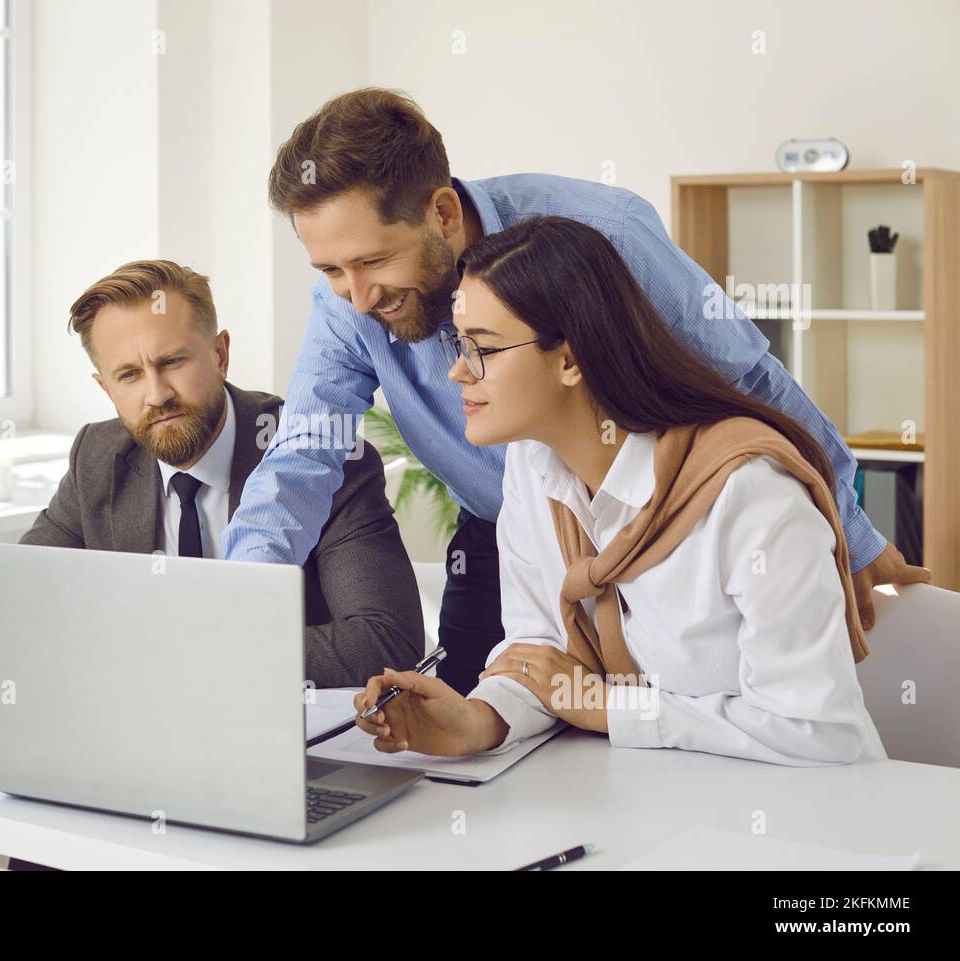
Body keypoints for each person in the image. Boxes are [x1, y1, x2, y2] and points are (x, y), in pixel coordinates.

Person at [222, 87, 929, 697]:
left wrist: (850, 527)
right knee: (480, 742)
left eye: (373, 260)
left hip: (654, 537)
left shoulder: (605, 233)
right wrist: (233, 608)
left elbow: (745, 378)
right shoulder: (348, 304)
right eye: (331, 270)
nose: (356, 294)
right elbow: (303, 457)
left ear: (441, 213)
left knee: (669, 730)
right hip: (505, 539)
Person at [353, 216, 887, 767]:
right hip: (649, 803)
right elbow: (543, 659)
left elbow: (821, 734)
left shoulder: (749, 494)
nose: (458, 373)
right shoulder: (531, 465)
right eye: (460, 346)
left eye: (483, 348)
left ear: (569, 359)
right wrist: (478, 721)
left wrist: (611, 708)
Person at [0, 259, 423, 689]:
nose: (157, 394)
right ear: (105, 389)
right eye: (129, 375)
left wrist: (177, 651)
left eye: (171, 362)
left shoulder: (318, 456)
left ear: (220, 353)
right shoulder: (98, 457)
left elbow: (384, 643)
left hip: (279, 732)